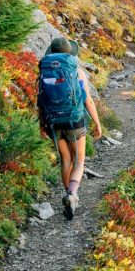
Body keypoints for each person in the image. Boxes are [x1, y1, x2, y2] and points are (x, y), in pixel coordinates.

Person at [38, 37, 102, 219]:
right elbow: (87, 100)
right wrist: (97, 122)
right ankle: (72, 195)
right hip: (74, 120)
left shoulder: (45, 70)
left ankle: (68, 195)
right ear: (70, 53)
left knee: (66, 160)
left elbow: (40, 101)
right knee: (79, 160)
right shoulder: (76, 71)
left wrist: (41, 124)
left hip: (52, 120)